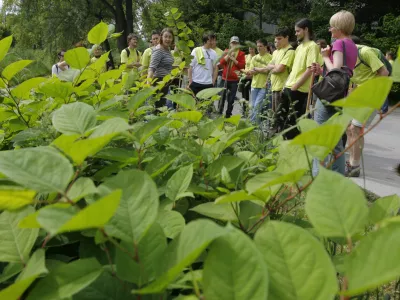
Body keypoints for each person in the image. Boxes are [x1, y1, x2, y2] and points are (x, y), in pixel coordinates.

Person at [311, 10, 358, 176]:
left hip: (328, 96)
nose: (330, 29)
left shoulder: (339, 44)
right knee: (337, 141)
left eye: (332, 26)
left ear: (339, 27)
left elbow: (336, 70)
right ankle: (338, 177)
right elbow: (345, 71)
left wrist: (324, 57)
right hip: (341, 95)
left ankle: (317, 177)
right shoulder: (353, 45)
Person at [344, 35, 389, 177]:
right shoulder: (344, 58)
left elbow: (384, 73)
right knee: (349, 129)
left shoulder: (365, 52)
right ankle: (352, 161)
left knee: (355, 129)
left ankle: (355, 166)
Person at [278, 18, 322, 139]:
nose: (296, 34)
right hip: (289, 86)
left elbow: (310, 68)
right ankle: (282, 147)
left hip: (299, 90)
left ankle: (292, 149)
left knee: (293, 123)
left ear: (306, 30)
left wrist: (296, 85)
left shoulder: (312, 46)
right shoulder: (299, 47)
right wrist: (287, 84)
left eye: (298, 31)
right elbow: (294, 70)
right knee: (281, 119)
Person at [263, 27, 295, 115]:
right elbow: (268, 66)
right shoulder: (276, 52)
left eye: (280, 39)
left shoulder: (290, 51)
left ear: (287, 38)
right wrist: (275, 67)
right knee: (273, 114)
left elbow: (280, 69)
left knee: (279, 115)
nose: (278, 41)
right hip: (273, 86)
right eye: (276, 39)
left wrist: (274, 67)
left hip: (282, 88)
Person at [148, 28, 175, 110]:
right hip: (158, 82)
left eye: (170, 37)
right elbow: (151, 68)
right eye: (166, 36)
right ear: (161, 37)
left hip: (165, 82)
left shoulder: (167, 49)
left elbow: (166, 65)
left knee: (161, 107)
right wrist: (148, 84)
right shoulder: (158, 50)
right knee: (158, 107)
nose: (168, 39)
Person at [219, 36, 246, 118]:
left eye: (236, 43)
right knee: (222, 96)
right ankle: (219, 112)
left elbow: (242, 66)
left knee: (231, 99)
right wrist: (228, 56)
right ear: (230, 44)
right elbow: (221, 63)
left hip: (234, 79)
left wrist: (234, 59)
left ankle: (228, 114)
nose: (234, 44)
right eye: (233, 43)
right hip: (225, 78)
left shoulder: (241, 53)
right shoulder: (226, 51)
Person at [247, 38, 273, 123]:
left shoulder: (270, 57)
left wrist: (256, 69)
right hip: (254, 85)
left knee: (257, 106)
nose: (258, 48)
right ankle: (257, 124)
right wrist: (261, 70)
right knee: (253, 106)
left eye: (260, 46)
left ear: (265, 47)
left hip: (264, 86)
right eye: (257, 46)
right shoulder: (254, 58)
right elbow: (251, 72)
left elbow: (267, 71)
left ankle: (253, 124)